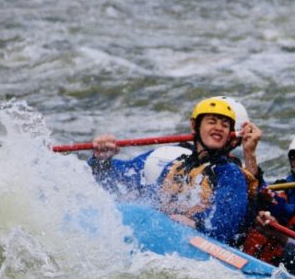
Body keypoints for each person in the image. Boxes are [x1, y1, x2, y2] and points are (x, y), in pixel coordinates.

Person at [90, 96, 263, 245]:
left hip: (200, 243)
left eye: (225, 125)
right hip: (167, 232)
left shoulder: (231, 173)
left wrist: (197, 224)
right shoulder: (175, 164)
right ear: (195, 127)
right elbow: (125, 185)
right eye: (211, 121)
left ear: (231, 135)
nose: (218, 127)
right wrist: (102, 161)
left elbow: (226, 223)